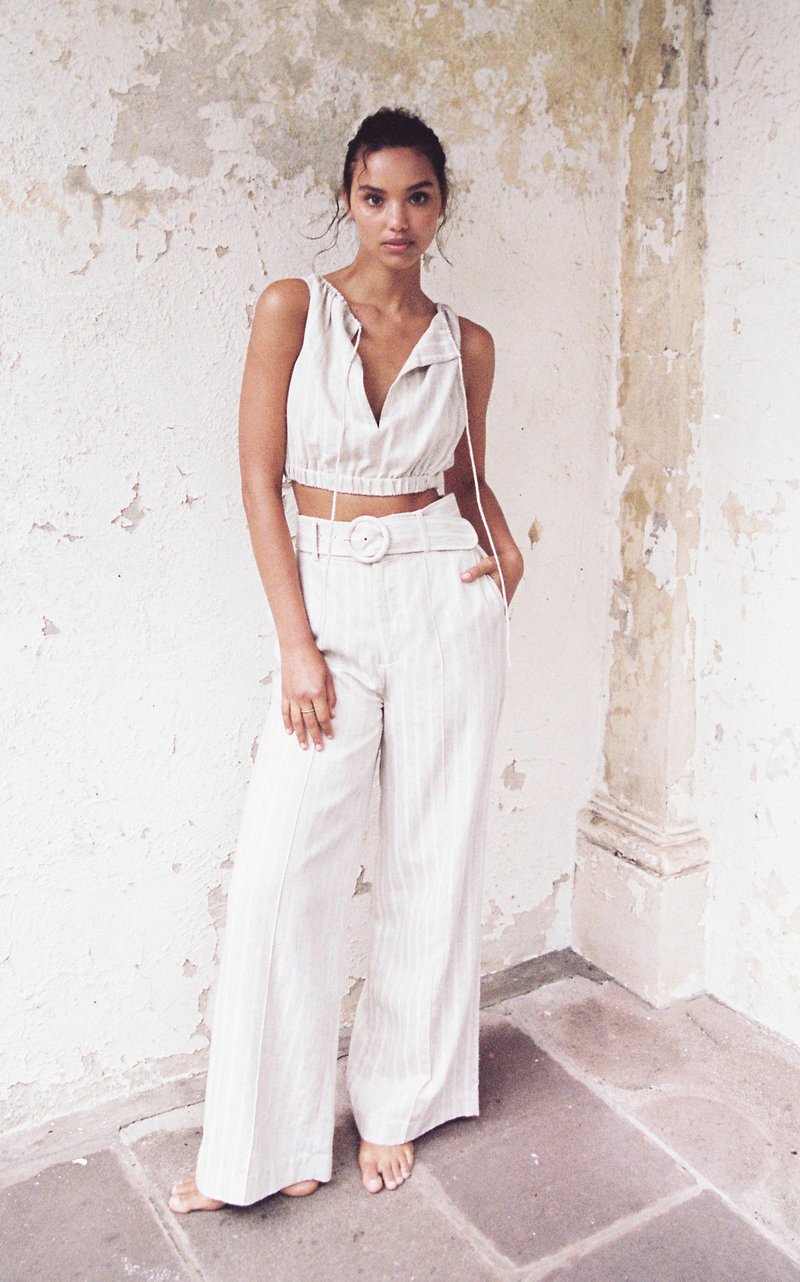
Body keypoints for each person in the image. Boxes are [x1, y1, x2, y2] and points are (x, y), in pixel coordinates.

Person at [169, 106, 524, 1214]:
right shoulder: (294, 308)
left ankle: (397, 1102)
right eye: (376, 196)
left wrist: (504, 545)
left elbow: (465, 476)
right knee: (284, 869)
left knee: (432, 850)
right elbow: (258, 478)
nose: (396, 218)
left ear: (441, 206)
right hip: (326, 601)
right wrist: (295, 643)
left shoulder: (466, 343)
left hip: (440, 595)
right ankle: (260, 1145)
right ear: (346, 200)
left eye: (417, 196)